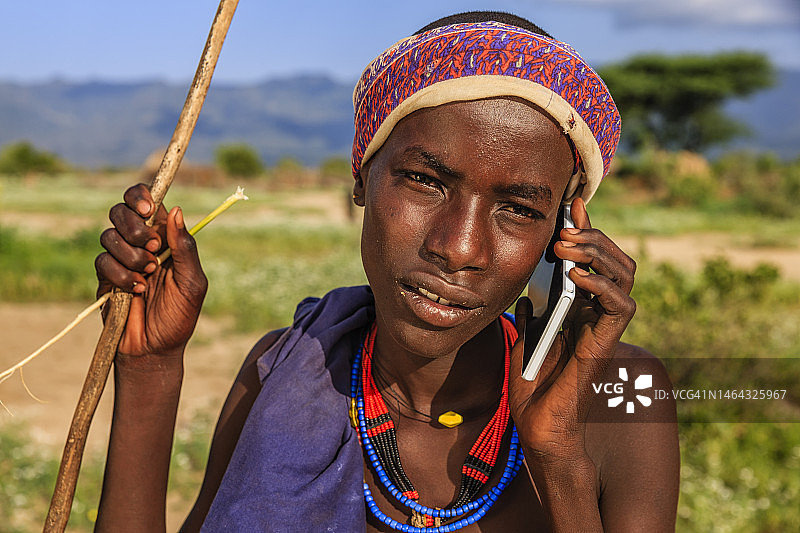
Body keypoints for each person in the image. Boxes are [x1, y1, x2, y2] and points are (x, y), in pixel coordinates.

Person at [94, 11, 679, 532]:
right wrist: (148, 370)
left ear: (562, 237)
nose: (459, 247)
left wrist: (557, 454)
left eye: (520, 209)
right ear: (361, 176)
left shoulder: (624, 398)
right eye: (425, 181)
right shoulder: (284, 373)